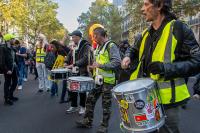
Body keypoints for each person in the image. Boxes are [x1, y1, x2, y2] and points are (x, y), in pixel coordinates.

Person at [121, 0, 200, 133]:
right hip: (144, 95)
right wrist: (127, 56)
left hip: (168, 99)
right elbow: (133, 50)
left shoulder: (179, 28)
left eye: (146, 4)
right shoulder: (145, 34)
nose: (142, 9)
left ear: (159, 5)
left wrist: (165, 69)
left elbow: (197, 62)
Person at [76, 27, 121, 133]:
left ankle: (104, 127)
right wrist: (93, 67)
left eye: (95, 36)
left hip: (108, 82)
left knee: (106, 105)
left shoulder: (111, 45)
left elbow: (117, 62)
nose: (94, 38)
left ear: (101, 35)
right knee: (90, 100)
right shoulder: (99, 47)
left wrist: (100, 65)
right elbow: (98, 62)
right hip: (97, 80)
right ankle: (87, 121)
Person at [65, 30, 91, 115]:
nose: (72, 38)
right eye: (71, 37)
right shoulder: (74, 45)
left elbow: (86, 58)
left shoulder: (85, 45)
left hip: (82, 71)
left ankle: (83, 107)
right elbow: (69, 54)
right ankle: (74, 106)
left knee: (82, 90)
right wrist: (66, 61)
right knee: (73, 89)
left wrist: (74, 64)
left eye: (73, 37)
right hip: (74, 71)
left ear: (78, 37)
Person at [3, 34, 19, 105]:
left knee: (15, 82)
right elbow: (2, 61)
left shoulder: (12, 48)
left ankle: (10, 95)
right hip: (8, 69)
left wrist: (16, 63)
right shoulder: (3, 48)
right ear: (8, 40)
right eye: (13, 39)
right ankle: (6, 99)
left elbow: (14, 57)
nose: (14, 40)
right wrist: (6, 70)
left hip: (14, 68)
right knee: (7, 83)